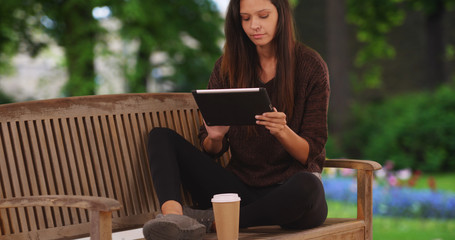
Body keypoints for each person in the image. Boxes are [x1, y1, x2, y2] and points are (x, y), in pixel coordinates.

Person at [143, 0, 330, 239]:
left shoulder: (310, 66)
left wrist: (283, 131)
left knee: (309, 186)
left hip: (288, 195)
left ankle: (213, 223)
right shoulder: (226, 67)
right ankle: (174, 218)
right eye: (245, 18)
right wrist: (215, 138)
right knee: (160, 136)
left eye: (263, 16)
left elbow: (310, 153)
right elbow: (210, 150)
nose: (254, 25)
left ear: (281, 15)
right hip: (237, 191)